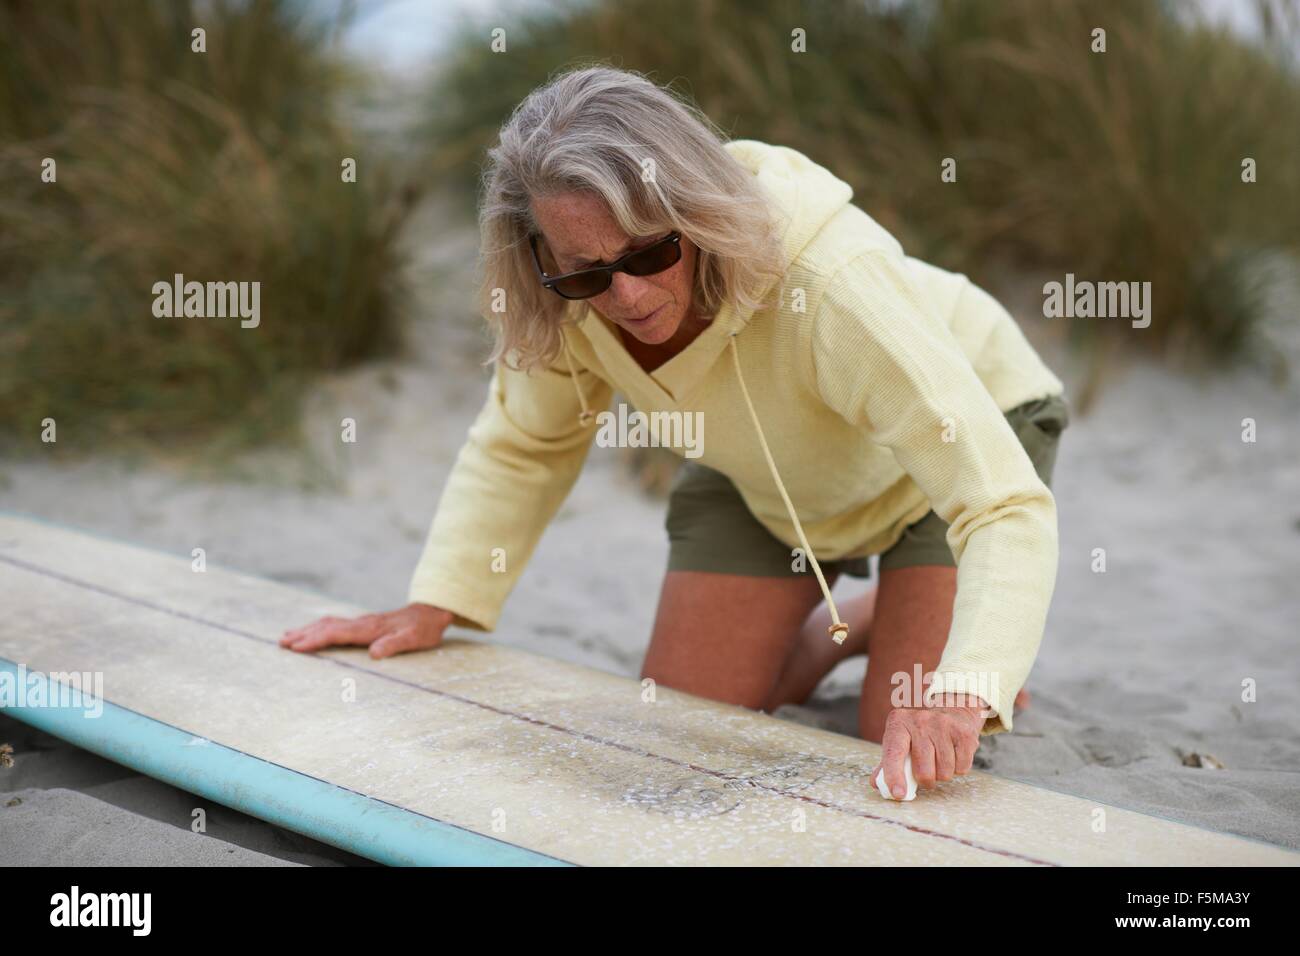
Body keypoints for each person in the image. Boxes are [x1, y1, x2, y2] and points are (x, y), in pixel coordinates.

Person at [280, 66, 1069, 801]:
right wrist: (436, 601)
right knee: (676, 736)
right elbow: (526, 445)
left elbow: (999, 505)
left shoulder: (829, 280)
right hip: (762, 471)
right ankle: (854, 627)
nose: (624, 294)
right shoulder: (559, 298)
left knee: (899, 756)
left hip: (955, 454)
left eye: (651, 250)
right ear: (541, 260)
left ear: (696, 210)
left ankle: (927, 624)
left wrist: (967, 688)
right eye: (586, 271)